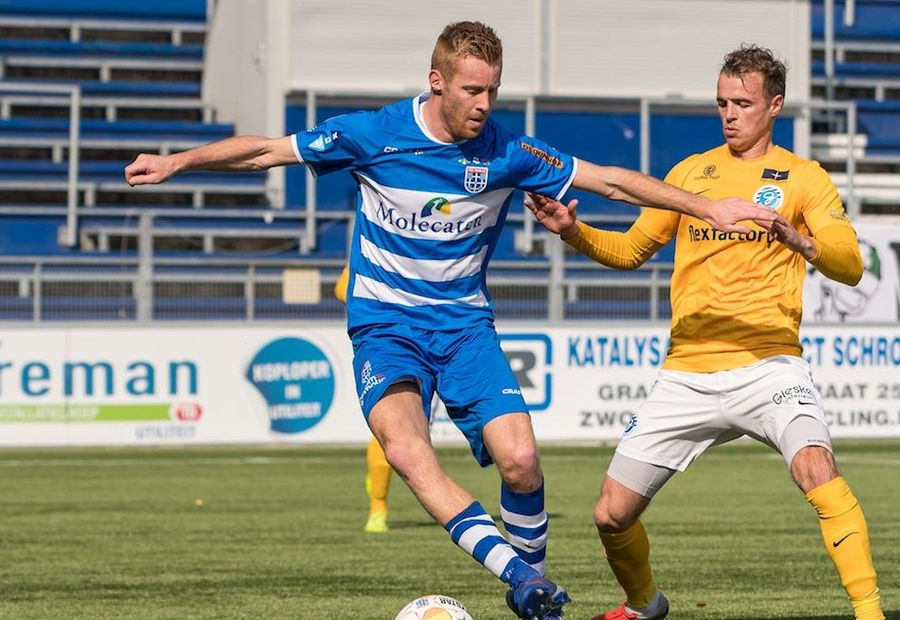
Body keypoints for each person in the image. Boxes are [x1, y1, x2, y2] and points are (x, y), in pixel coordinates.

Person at [123, 22, 775, 620]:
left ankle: (534, 590)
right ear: (436, 82)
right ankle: (519, 575)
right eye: (471, 90)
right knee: (408, 451)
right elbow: (266, 151)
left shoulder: (508, 151)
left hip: (464, 328)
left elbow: (611, 181)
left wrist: (706, 207)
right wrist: (177, 162)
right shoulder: (374, 134)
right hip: (385, 327)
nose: (484, 103)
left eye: (492, 89)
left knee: (520, 461)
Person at [527, 44, 884, 620]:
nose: (729, 113)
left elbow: (850, 263)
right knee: (610, 514)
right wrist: (574, 231)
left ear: (775, 105)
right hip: (687, 373)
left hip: (769, 365)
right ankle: (644, 605)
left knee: (818, 469)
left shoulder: (804, 177)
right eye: (722, 102)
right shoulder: (690, 175)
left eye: (742, 103)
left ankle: (871, 613)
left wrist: (802, 242)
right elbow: (631, 250)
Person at [336, 266, 393, 534]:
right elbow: (342, 285)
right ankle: (377, 507)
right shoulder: (380, 235)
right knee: (391, 429)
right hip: (388, 345)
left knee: (415, 434)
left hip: (441, 342)